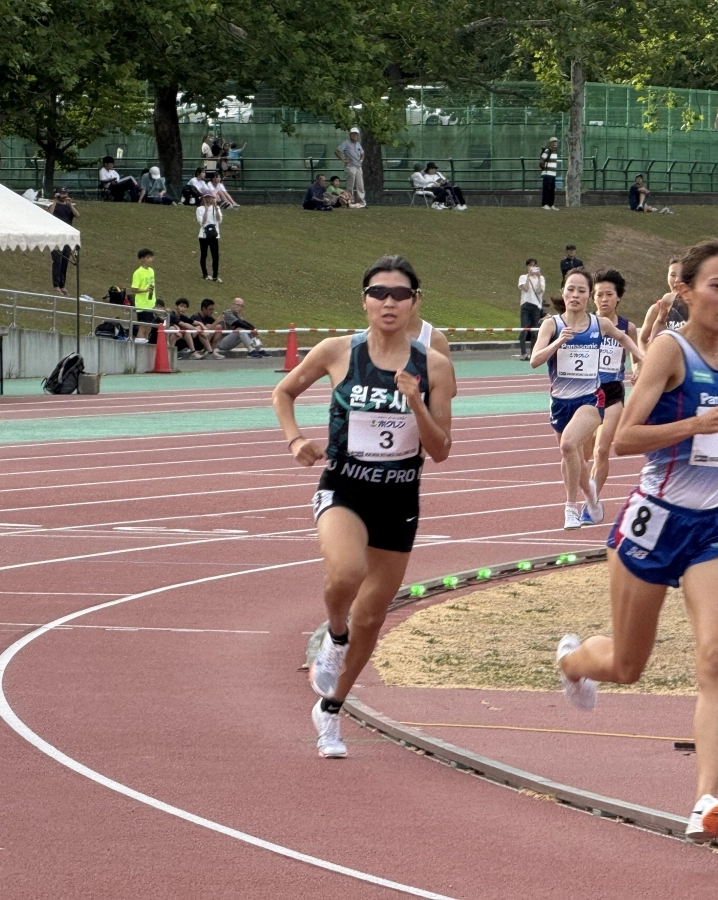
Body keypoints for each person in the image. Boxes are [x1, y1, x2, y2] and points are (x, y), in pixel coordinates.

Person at [556, 239, 718, 843]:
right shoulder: (668, 349)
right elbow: (622, 440)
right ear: (686, 290)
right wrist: (693, 425)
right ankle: (574, 662)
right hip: (653, 520)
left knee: (716, 657)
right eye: (717, 287)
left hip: (712, 528)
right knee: (627, 665)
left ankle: (706, 799)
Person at [272, 255, 454, 758]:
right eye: (378, 293)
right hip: (344, 486)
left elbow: (440, 449)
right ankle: (334, 633)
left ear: (416, 302)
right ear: (365, 301)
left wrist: (416, 402)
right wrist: (295, 441)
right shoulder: (337, 352)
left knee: (372, 618)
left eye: (399, 294)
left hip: (399, 495)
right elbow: (283, 392)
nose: (388, 302)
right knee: (346, 574)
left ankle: (330, 713)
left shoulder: (433, 365)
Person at [530, 268, 641, 530]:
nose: (575, 295)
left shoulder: (598, 323)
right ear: (563, 292)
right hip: (560, 401)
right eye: (571, 289)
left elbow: (624, 337)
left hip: (591, 399)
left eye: (581, 290)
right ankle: (590, 494)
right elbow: (535, 360)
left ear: (587, 295)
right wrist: (557, 343)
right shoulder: (552, 325)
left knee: (569, 446)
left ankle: (570, 507)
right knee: (574, 457)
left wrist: (643, 359)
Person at [589, 268, 638, 499]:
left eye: (608, 294)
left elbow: (636, 357)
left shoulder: (627, 328)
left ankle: (592, 501)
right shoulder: (584, 325)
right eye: (599, 294)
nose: (603, 299)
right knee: (583, 452)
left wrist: (637, 371)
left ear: (618, 296)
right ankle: (582, 491)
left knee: (601, 450)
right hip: (585, 393)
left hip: (612, 393)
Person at [639, 257, 688, 352]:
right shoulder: (658, 307)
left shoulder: (698, 305)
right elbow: (641, 340)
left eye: (681, 275)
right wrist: (646, 359)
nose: (677, 280)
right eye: (672, 275)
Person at [47, 187, 78, 296]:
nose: (63, 195)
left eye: (65, 193)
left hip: (67, 237)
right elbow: (48, 214)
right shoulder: (53, 205)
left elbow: (77, 215)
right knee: (57, 261)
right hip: (56, 237)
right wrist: (55, 202)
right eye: (61, 193)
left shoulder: (69, 206)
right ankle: (55, 285)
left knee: (65, 262)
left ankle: (62, 285)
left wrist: (70, 204)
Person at [517, 259, 546, 360]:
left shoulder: (541, 278)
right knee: (524, 329)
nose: (532, 267)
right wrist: (529, 276)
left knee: (534, 330)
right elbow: (525, 288)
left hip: (536, 306)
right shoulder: (523, 277)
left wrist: (538, 277)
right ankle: (523, 353)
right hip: (525, 304)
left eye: (534, 265)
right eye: (530, 265)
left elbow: (539, 291)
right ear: (527, 267)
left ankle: (533, 352)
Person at [128, 248, 157, 343]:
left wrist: (152, 298)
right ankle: (139, 342)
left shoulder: (151, 271)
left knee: (149, 326)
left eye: (151, 257)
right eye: (148, 258)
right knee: (143, 325)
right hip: (142, 303)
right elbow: (134, 289)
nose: (150, 260)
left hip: (150, 303)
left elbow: (152, 286)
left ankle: (146, 342)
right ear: (142, 259)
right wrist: (145, 290)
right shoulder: (138, 273)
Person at [335, 127, 366, 207]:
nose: (355, 135)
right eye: (353, 134)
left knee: (360, 185)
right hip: (350, 166)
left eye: (356, 134)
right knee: (350, 185)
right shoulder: (346, 143)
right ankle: (349, 201)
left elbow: (362, 153)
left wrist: (361, 160)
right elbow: (337, 151)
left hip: (358, 166)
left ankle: (361, 202)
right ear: (350, 135)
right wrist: (343, 160)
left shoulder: (358, 144)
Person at [196, 193, 222, 282]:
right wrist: (206, 210)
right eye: (208, 198)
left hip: (214, 235)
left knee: (215, 256)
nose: (210, 199)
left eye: (211, 198)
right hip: (203, 235)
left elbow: (219, 219)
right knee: (204, 254)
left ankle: (215, 275)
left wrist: (216, 208)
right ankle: (205, 274)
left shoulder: (216, 208)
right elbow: (202, 222)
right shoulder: (200, 209)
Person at [539, 137, 559, 210]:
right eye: (553, 142)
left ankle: (551, 204)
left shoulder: (555, 151)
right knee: (546, 189)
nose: (555, 143)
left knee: (552, 190)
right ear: (550, 143)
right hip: (547, 173)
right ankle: (545, 204)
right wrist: (545, 169)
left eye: (556, 142)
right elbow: (542, 161)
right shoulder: (548, 151)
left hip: (553, 174)